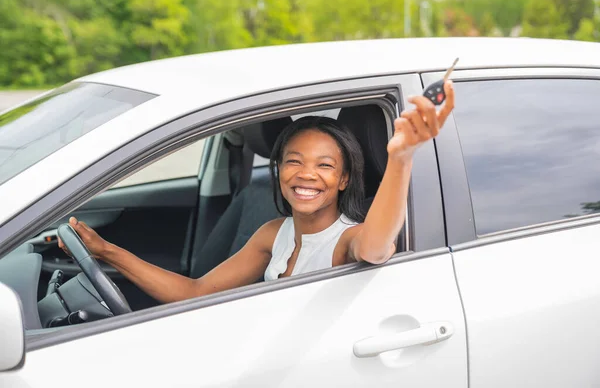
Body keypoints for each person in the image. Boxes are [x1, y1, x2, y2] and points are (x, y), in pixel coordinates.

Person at [59, 81, 455, 304]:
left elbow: (376, 247)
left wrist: (401, 159)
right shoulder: (273, 233)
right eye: (294, 161)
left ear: (344, 179)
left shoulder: (347, 239)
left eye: (325, 165)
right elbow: (194, 291)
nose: (306, 175)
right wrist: (106, 251)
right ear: (279, 168)